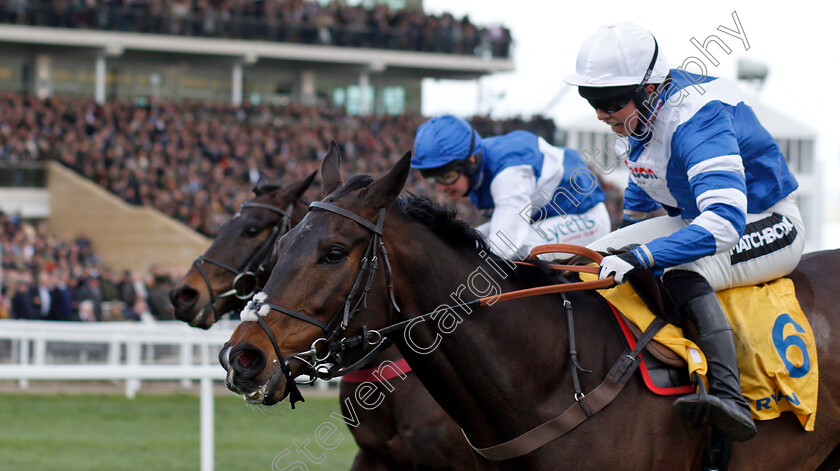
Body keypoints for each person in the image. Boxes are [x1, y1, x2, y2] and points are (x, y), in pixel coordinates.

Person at [564, 22, 804, 442]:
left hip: (769, 221)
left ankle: (730, 398)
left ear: (651, 88)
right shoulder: (641, 114)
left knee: (678, 270)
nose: (601, 114)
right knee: (589, 262)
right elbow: (641, 183)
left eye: (609, 102)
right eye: (591, 101)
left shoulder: (698, 120)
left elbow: (724, 223)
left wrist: (640, 256)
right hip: (704, 219)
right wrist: (623, 246)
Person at [411, 115, 611, 258]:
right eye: (433, 179)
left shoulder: (509, 174)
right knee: (467, 241)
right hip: (545, 217)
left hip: (586, 218)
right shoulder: (482, 158)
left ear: (470, 161)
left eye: (448, 176)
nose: (440, 187)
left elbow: (503, 248)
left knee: (521, 253)